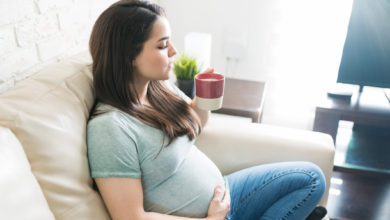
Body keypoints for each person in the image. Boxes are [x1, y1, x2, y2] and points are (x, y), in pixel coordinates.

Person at [87, 1, 327, 219]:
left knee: (311, 178)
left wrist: (204, 95)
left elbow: (197, 122)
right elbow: (130, 217)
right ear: (129, 56)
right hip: (209, 216)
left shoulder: (158, 90)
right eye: (162, 45)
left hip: (225, 191)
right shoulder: (110, 127)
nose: (174, 51)